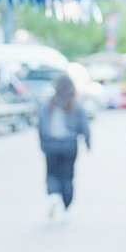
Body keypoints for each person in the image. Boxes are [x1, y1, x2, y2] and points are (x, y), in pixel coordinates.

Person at [38, 73, 91, 221]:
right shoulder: (75, 104)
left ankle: (53, 195)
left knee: (51, 173)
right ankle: (67, 209)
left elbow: (41, 125)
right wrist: (88, 142)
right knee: (67, 176)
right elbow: (84, 125)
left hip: (51, 144)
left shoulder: (48, 104)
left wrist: (42, 143)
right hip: (69, 145)